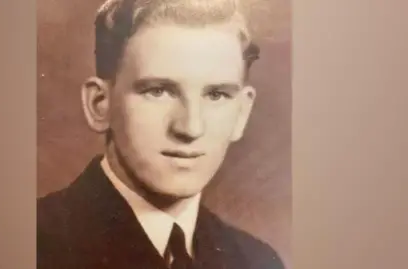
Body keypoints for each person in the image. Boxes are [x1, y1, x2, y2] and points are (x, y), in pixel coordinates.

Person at [37, 0, 284, 268]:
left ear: (241, 113)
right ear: (101, 104)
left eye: (216, 95)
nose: (190, 128)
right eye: (158, 91)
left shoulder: (257, 261)